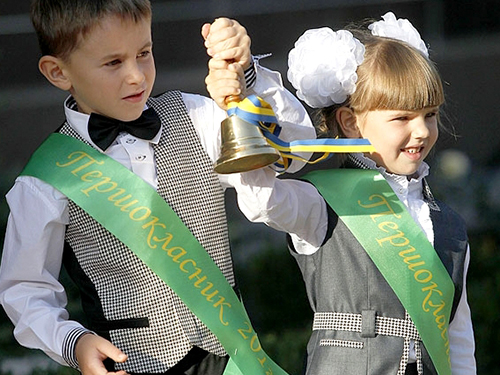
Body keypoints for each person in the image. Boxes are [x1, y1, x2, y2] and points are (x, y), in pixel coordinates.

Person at [0, 1, 314, 374]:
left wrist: (245, 77)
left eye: (144, 54)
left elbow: (295, 152)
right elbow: (25, 290)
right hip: (133, 364)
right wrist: (74, 342)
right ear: (57, 71)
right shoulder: (47, 178)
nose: (136, 76)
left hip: (232, 359)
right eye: (113, 63)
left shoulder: (195, 116)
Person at [217, 12, 477, 375]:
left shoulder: (449, 226)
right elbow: (263, 201)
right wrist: (244, 100)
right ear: (351, 122)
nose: (421, 131)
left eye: (429, 114)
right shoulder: (321, 205)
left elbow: (458, 335)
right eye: (402, 118)